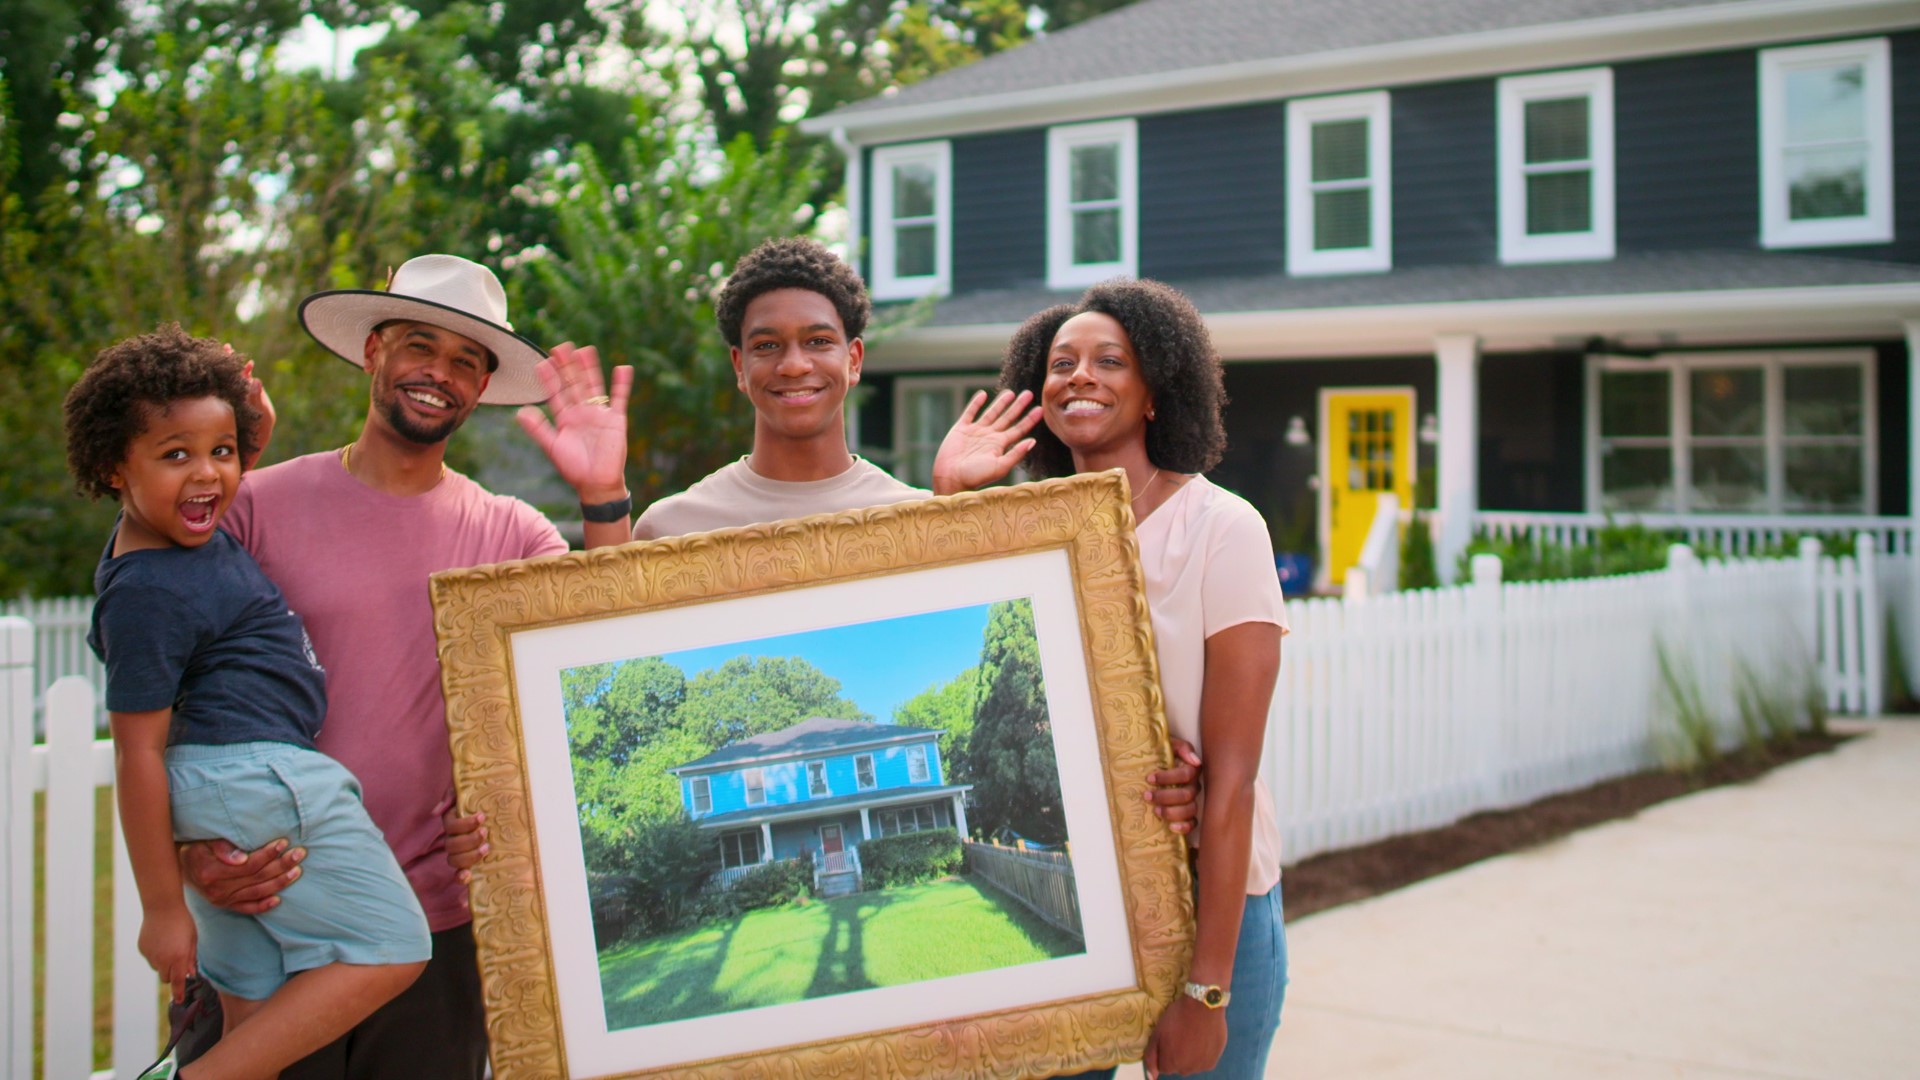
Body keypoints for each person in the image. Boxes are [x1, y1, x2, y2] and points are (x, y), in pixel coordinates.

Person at [518, 237, 1208, 830]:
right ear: (739, 367)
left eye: (817, 342)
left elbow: (1001, 673)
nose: (793, 364)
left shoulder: (910, 514)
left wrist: (1136, 757)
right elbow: (603, 657)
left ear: (853, 359)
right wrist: (603, 498)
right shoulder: (673, 527)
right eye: (767, 346)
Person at [173, 254, 634, 1076]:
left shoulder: (511, 534)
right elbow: (167, 683)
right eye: (420, 345)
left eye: (466, 360)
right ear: (373, 351)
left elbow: (601, 652)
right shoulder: (256, 508)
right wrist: (192, 853)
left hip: (435, 931)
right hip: (269, 906)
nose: (440, 374)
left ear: (483, 387)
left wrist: (603, 499)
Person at [65, 327, 430, 1080]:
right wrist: (162, 907)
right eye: (175, 454)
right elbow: (137, 751)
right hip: (258, 778)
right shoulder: (148, 594)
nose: (208, 476)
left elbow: (214, 470)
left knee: (252, 1019)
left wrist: (245, 417)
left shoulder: (174, 534)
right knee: (395, 947)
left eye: (222, 452)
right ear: (111, 468)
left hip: (228, 789)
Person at [995, 279, 1289, 1079]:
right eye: (1061, 364)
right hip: (1075, 904)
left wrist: (1206, 991)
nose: (1079, 377)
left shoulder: (1222, 529)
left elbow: (1229, 786)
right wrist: (957, 493)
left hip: (1208, 906)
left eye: (1109, 361)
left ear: (1156, 390)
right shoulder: (1024, 536)